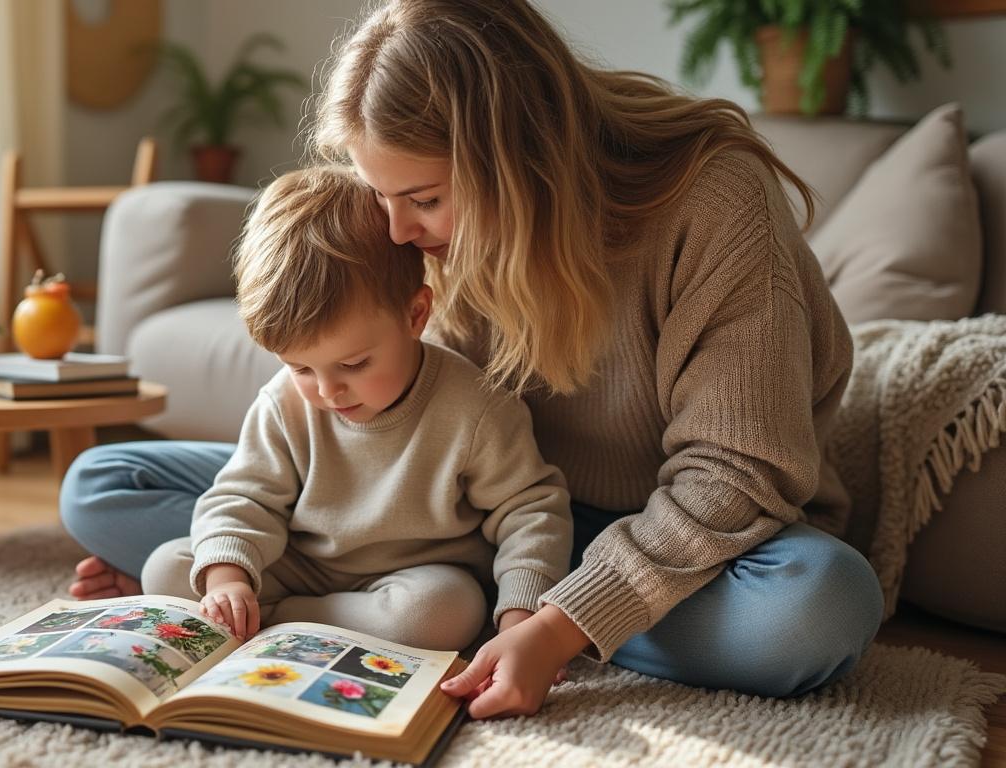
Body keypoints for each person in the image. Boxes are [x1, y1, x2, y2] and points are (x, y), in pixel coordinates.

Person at [62, 0, 884, 718]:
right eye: (381, 196)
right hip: (461, 519)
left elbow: (738, 474)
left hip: (661, 530)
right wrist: (227, 556)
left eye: (422, 199)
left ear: (523, 161)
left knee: (817, 609)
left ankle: (477, 610)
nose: (397, 235)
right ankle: (400, 600)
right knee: (105, 483)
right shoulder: (430, 234)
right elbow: (394, 406)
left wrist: (558, 627)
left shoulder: (715, 203)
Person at [135, 165, 572, 652]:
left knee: (443, 612)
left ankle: (279, 621)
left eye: (354, 363)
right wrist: (229, 580)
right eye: (301, 368)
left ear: (416, 315)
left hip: (414, 580)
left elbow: (529, 512)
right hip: (303, 564)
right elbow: (244, 497)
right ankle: (278, 613)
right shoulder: (282, 403)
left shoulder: (476, 406)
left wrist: (521, 615)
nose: (328, 392)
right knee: (167, 568)